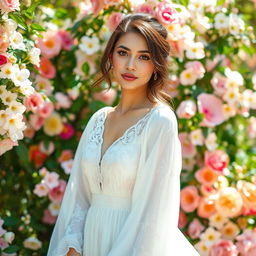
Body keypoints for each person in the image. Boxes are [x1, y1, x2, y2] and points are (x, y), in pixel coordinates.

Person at [47, 13, 200, 256]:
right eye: (123, 52)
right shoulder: (98, 119)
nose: (130, 65)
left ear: (156, 65)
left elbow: (153, 212)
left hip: (135, 245)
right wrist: (72, 244)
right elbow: (80, 196)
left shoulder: (159, 121)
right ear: (111, 56)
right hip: (90, 243)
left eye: (144, 57)